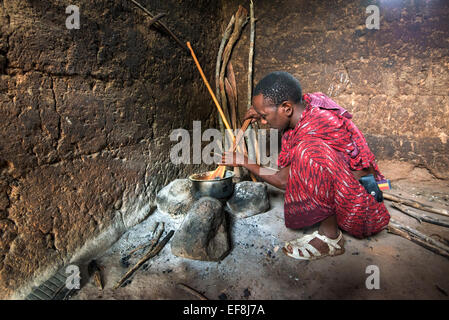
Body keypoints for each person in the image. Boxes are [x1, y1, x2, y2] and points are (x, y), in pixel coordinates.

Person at [220, 71, 390, 260]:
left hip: (362, 211)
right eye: (260, 115)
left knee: (309, 152)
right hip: (355, 190)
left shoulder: (311, 133)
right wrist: (261, 110)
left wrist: (244, 161)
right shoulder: (309, 105)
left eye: (264, 116)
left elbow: (283, 180)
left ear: (286, 108)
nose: (262, 121)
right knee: (307, 152)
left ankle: (330, 238)